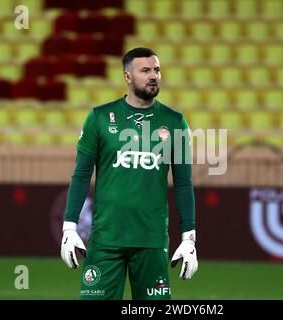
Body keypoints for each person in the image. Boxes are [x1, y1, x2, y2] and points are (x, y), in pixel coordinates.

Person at [60, 47, 197, 300]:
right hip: (105, 239)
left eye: (156, 70)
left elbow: (182, 183)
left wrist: (189, 237)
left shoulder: (175, 122)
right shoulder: (99, 118)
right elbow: (81, 175)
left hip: (152, 240)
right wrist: (70, 228)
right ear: (127, 76)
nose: (153, 76)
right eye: (145, 70)